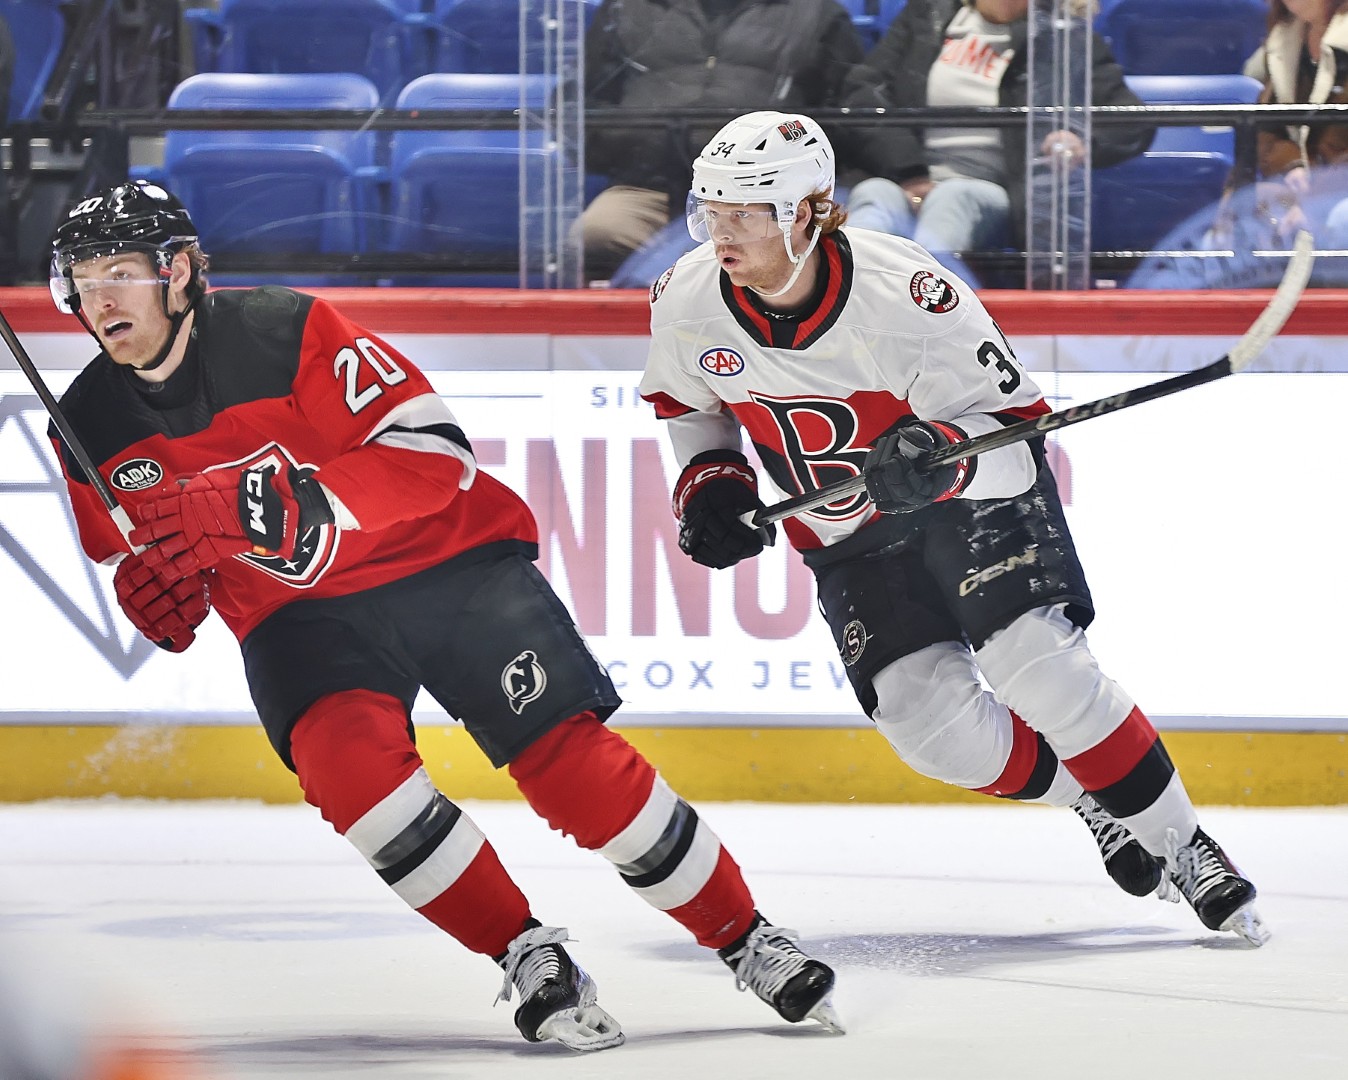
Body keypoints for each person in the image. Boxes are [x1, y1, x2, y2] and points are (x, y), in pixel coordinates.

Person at [44, 179, 843, 1053]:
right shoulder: (86, 422)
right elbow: (133, 552)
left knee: (568, 767)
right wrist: (154, 589)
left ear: (179, 270)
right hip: (301, 619)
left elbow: (434, 452)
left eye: (119, 272)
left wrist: (288, 503)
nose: (100, 298)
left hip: (445, 563)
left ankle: (745, 936)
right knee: (356, 785)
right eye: (83, 279)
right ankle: (526, 952)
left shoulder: (284, 329)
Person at [638, 110, 1269, 946]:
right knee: (929, 730)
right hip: (849, 538)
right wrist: (711, 484)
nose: (722, 234)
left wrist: (944, 459)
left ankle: (1184, 844)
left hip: (971, 503)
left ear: (811, 210)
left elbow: (1017, 445)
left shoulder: (906, 295)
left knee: (1039, 670)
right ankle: (1094, 796)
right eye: (711, 211)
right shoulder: (685, 298)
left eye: (747, 213)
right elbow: (691, 409)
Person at [840, 0, 1154, 284]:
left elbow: (1132, 122)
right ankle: (847, 296)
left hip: (994, 190)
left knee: (952, 199)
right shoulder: (927, 15)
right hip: (907, 179)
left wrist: (1083, 140)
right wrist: (911, 174)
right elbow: (865, 92)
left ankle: (931, 304)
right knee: (873, 194)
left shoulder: (1063, 39)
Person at [580, 0, 876, 282]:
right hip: (649, 185)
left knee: (780, 242)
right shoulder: (626, 8)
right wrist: (642, 145)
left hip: (766, 193)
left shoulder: (815, 11)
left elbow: (844, 113)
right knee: (594, 233)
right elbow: (583, 103)